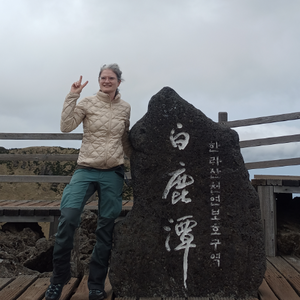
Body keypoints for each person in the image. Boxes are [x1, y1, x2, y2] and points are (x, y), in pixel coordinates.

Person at [45, 64, 132, 300]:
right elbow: (65, 127)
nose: (106, 81)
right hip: (85, 170)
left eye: (111, 78)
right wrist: (73, 96)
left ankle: (96, 284)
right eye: (103, 78)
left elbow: (124, 139)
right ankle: (58, 280)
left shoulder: (125, 107)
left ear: (118, 82)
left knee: (105, 229)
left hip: (113, 172)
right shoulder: (87, 103)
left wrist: (140, 162)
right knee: (69, 218)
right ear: (99, 81)